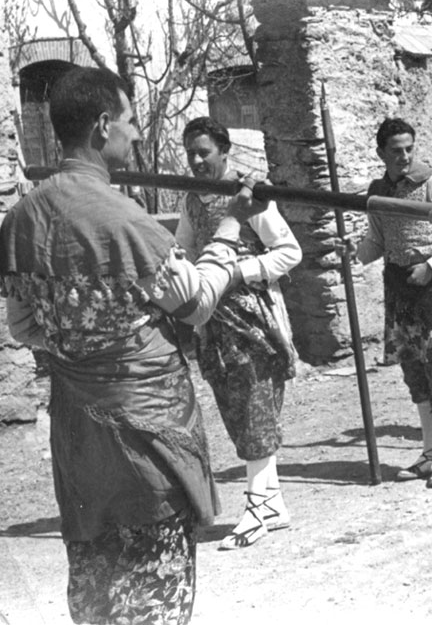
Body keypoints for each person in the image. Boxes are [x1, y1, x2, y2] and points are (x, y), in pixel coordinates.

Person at [0, 66, 263, 624]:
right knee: (154, 591)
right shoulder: (127, 222)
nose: (139, 132)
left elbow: (23, 328)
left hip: (80, 434)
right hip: (148, 441)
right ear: (102, 127)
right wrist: (232, 227)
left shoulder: (21, 221)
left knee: (97, 585)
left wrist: (82, 347)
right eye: (131, 119)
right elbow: (194, 305)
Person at [176, 117, 301, 550]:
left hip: (254, 320)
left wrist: (238, 272)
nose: (195, 160)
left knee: (255, 406)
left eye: (203, 152)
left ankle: (256, 510)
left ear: (224, 151)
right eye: (190, 152)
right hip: (214, 322)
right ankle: (274, 503)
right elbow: (187, 250)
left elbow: (289, 251)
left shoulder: (251, 196)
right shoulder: (193, 200)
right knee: (236, 409)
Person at [351, 117, 432, 488]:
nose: (404, 157)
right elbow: (376, 242)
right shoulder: (378, 192)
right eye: (395, 151)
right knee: (416, 377)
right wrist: (353, 251)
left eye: (409, 149)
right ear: (381, 153)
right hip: (402, 295)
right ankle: (429, 452)